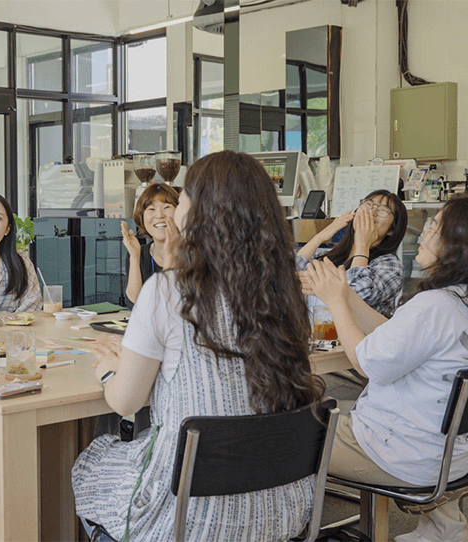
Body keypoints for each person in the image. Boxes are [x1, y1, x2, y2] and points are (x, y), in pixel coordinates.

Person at [72, 151, 326, 541]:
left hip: (190, 520)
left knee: (90, 464)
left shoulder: (167, 291)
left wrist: (111, 369)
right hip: (284, 511)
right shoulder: (285, 294)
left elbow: (125, 402)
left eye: (183, 196)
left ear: (201, 211)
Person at [304, 193, 468, 542]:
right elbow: (391, 334)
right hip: (454, 456)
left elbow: (367, 363)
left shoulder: (433, 306)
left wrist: (334, 301)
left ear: (459, 243)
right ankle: (445, 530)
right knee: (337, 409)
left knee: (287, 434)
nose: (423, 233)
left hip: (401, 457)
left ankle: (292, 528)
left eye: (435, 226)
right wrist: (344, 294)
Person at [297, 189, 407, 317]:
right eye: (368, 204)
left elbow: (355, 296)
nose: (371, 212)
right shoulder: (333, 255)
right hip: (316, 334)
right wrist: (320, 236)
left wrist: (362, 244)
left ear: (392, 229)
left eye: (383, 210)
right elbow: (288, 279)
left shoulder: (391, 265)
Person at [120, 183, 179, 304]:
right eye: (151, 209)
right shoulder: (139, 253)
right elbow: (135, 303)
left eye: (166, 207)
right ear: (141, 217)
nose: (159, 215)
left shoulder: (196, 252)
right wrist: (135, 256)